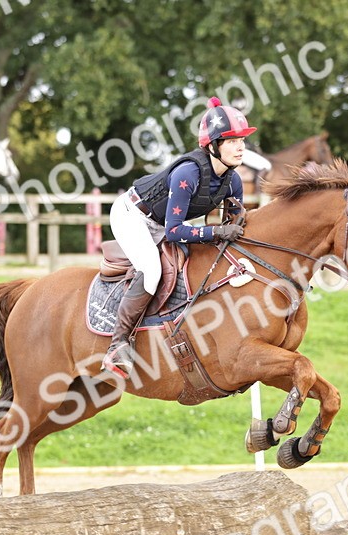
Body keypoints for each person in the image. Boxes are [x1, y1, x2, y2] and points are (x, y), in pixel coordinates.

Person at [101, 97, 254, 378]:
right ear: (212, 146)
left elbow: (234, 228)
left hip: (161, 222)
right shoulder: (189, 172)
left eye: (242, 139)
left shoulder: (233, 181)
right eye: (232, 140)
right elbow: (174, 231)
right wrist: (218, 231)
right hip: (132, 215)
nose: (241, 146)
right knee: (151, 269)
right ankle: (118, 345)